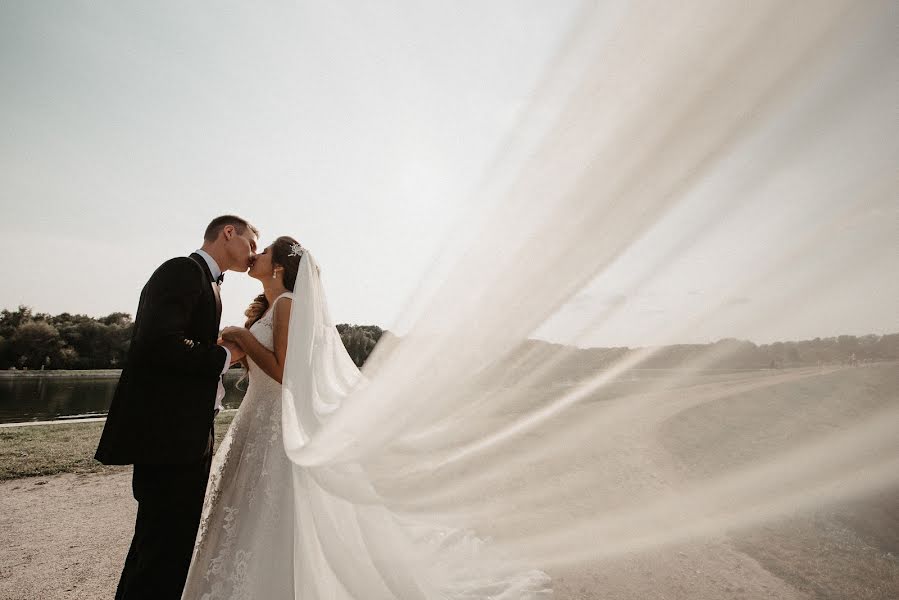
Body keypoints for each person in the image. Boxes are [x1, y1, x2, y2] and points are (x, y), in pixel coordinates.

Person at [182, 236, 551, 599]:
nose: (255, 255)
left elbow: (283, 372)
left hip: (277, 424)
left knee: (274, 514)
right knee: (245, 515)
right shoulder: (269, 307)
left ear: (278, 266)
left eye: (263, 251)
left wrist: (241, 339)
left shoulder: (288, 305)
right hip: (255, 420)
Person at [95, 215, 258, 599]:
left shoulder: (208, 281)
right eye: (251, 242)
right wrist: (226, 354)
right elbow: (160, 343)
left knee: (161, 545)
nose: (253, 253)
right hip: (166, 438)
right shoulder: (183, 271)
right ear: (228, 233)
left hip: (184, 435)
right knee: (163, 549)